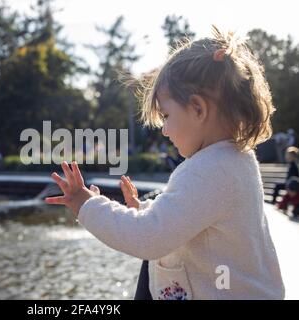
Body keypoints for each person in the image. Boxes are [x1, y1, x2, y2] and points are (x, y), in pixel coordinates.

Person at [45, 26, 284, 299]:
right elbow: (196, 220)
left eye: (167, 116)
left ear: (198, 109)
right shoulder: (235, 160)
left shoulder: (208, 171)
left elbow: (148, 238)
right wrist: (145, 209)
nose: (165, 130)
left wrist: (86, 205)